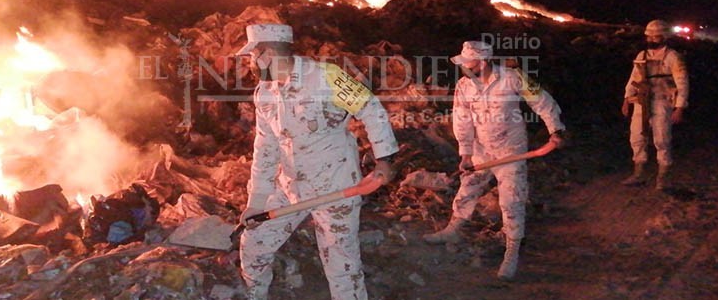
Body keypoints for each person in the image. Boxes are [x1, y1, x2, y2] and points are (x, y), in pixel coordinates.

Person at [235, 23, 399, 300]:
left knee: (342, 266)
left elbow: (371, 109)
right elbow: (265, 146)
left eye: (253, 55)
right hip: (289, 188)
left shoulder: (326, 77)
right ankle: (253, 295)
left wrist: (384, 160)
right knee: (254, 243)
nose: (251, 63)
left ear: (267, 53)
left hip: (334, 187)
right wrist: (257, 201)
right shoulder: (264, 92)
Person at [423, 41, 566, 280]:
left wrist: (556, 130)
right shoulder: (464, 86)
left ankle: (512, 250)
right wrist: (466, 153)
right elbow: (462, 120)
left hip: (511, 151)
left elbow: (542, 101)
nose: (464, 67)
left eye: (468, 62)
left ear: (483, 61)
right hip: (481, 150)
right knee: (468, 188)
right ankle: (453, 229)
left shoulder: (511, 77)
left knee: (511, 200)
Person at [621, 19, 689, 190]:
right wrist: (626, 99)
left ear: (664, 37)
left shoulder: (673, 57)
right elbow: (633, 78)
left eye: (656, 37)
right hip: (641, 101)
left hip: (662, 103)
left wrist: (679, 108)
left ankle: (662, 178)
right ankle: (638, 174)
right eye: (649, 37)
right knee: (637, 137)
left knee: (662, 139)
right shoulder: (642, 56)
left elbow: (682, 84)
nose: (651, 40)